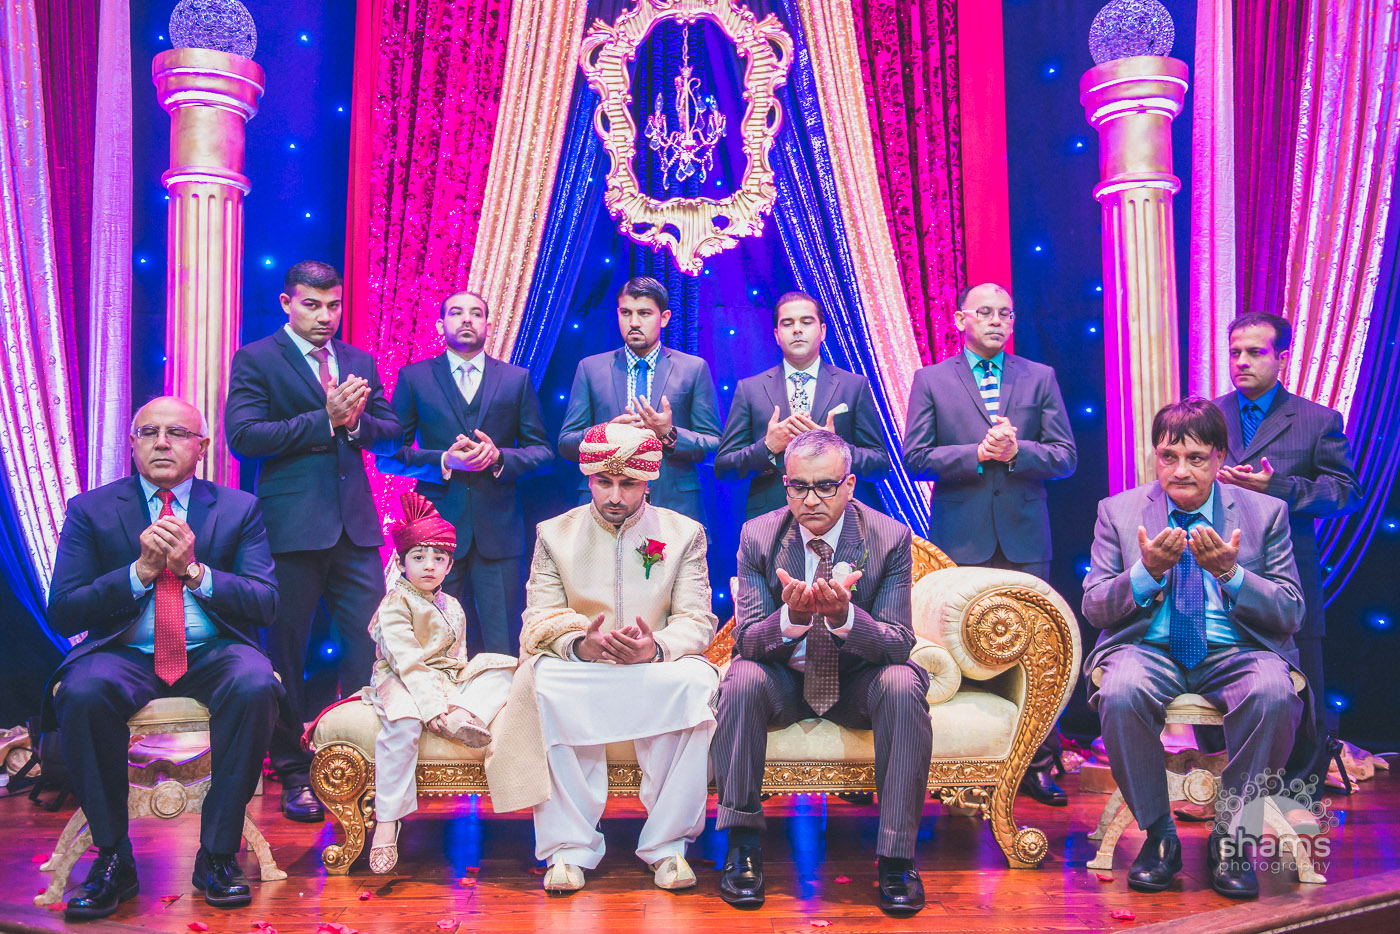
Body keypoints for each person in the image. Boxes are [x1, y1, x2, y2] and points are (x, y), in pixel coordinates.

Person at [44, 397, 282, 918]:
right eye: (148, 432)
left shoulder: (239, 508)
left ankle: (217, 854)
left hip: (212, 650)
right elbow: (63, 610)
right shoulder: (90, 509)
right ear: (132, 444)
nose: (161, 443)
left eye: (176, 433)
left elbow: (265, 602)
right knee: (82, 691)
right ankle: (113, 857)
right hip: (125, 651)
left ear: (202, 446)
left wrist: (195, 571)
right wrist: (140, 573)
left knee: (256, 683)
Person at [1082, 398, 1305, 900]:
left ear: (1220, 457)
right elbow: (1095, 607)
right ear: (1155, 456)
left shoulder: (1265, 512)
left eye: (1196, 458)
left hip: (1237, 650)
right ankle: (1159, 835)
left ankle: (1232, 837)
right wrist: (1146, 572)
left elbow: (1291, 611)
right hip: (1148, 647)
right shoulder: (1118, 512)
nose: (1180, 471)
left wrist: (1232, 573)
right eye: (1168, 456)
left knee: (1273, 694)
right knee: (1120, 691)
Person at [483, 423, 719, 893]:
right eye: (603, 482)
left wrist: (655, 647)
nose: (614, 496)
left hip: (654, 669)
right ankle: (568, 849)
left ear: (648, 482)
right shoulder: (555, 534)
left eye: (628, 483)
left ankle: (668, 846)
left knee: (697, 684)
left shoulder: (683, 533)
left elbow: (698, 620)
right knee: (543, 682)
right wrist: (577, 645)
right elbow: (538, 616)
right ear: (588, 479)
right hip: (582, 670)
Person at [712, 429, 931, 915]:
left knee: (903, 682)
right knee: (741, 678)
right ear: (785, 485)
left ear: (849, 485)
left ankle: (897, 858)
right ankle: (742, 847)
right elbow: (748, 642)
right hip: (785, 681)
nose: (811, 500)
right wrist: (790, 618)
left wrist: (844, 617)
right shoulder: (759, 535)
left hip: (858, 681)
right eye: (799, 487)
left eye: (826, 486)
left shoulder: (888, 537)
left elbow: (898, 643)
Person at [225, 260, 402, 823]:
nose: (326, 316)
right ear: (287, 303)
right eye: (312, 304)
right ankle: (293, 772)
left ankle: (357, 761)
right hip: (289, 530)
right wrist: (324, 419)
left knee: (369, 645)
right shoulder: (257, 358)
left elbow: (390, 431)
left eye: (334, 305)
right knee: (285, 653)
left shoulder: (357, 360)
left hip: (356, 529)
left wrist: (354, 424)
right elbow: (244, 437)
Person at [901, 282, 1077, 806]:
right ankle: (962, 762)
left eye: (1006, 313)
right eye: (985, 312)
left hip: (1026, 535)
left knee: (1038, 650)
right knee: (961, 646)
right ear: (961, 320)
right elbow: (915, 456)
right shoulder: (932, 379)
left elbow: (1066, 456)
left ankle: (1038, 763)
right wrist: (976, 454)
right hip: (960, 536)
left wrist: (1018, 451)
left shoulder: (1039, 377)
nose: (997, 321)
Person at [1213, 312, 1360, 785]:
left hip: (1288, 573)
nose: (1241, 361)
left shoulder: (1317, 420)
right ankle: (1218, 786)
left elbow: (1345, 494)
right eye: (1235, 352)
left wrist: (1278, 487)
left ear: (1282, 358)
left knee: (1300, 687)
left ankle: (1298, 793)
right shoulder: (1207, 415)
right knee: (1213, 680)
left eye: (1255, 352)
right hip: (1214, 571)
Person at [378, 289, 552, 655]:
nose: (467, 319)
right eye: (457, 313)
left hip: (499, 532)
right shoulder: (414, 378)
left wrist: (499, 457)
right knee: (434, 643)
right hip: (433, 534)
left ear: (489, 324)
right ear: (441, 325)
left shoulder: (516, 379)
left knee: (505, 643)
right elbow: (387, 457)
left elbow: (543, 453)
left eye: (476, 313)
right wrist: (444, 460)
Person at [364, 492, 516, 874]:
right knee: (403, 725)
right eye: (418, 557)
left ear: (449, 565)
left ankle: (463, 716)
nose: (429, 566)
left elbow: (458, 658)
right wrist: (433, 707)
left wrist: (457, 692)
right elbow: (409, 663)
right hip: (401, 677)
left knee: (505, 668)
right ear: (401, 562)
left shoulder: (453, 605)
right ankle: (387, 821)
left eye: (438, 558)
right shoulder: (395, 604)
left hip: (445, 678)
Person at [558, 276, 722, 522]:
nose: (634, 322)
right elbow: (566, 445)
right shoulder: (590, 368)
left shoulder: (693, 369)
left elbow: (714, 447)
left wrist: (668, 434)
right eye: (626, 313)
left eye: (644, 313)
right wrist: (604, 433)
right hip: (604, 505)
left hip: (673, 506)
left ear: (664, 318)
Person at [716, 290, 889, 518]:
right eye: (788, 324)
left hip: (838, 518)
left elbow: (879, 465)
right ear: (777, 335)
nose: (797, 329)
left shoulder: (853, 386)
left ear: (822, 331)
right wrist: (768, 447)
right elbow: (724, 468)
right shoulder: (750, 389)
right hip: (771, 520)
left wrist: (836, 447)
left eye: (806, 322)